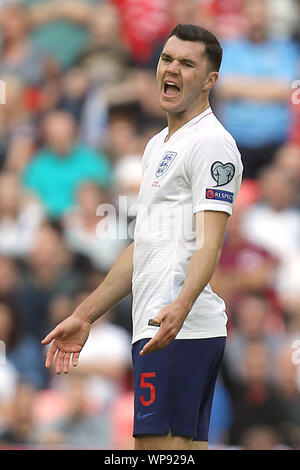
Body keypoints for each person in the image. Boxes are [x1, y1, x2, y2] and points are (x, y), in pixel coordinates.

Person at [41, 24, 243, 450]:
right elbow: (144, 246)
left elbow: (211, 242)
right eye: (167, 58)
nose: (172, 68)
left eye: (187, 63)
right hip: (163, 325)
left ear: (210, 81)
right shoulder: (157, 146)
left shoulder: (212, 144)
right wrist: (85, 314)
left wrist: (182, 306)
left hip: (176, 327)